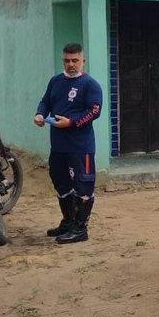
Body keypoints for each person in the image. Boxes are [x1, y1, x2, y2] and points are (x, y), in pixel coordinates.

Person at [34, 43, 103, 244]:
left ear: (83, 61)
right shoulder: (55, 81)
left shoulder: (90, 85)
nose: (70, 64)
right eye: (66, 60)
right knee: (61, 183)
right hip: (58, 146)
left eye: (75, 60)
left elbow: (94, 112)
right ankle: (68, 222)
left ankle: (80, 229)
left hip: (81, 147)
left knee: (83, 186)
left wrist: (71, 122)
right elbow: (45, 101)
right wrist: (40, 114)